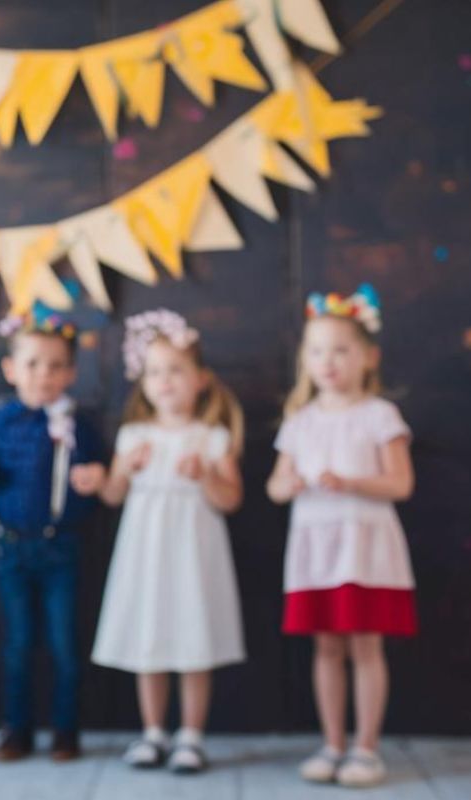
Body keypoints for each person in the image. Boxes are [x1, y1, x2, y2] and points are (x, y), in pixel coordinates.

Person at [267, 284, 416, 789]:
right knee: (326, 647)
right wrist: (287, 484)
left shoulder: (380, 416)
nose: (327, 361)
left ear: (368, 357)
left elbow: (401, 483)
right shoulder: (300, 421)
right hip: (314, 550)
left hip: (364, 550)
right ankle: (332, 743)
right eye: (316, 351)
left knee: (365, 647)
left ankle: (366, 748)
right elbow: (275, 486)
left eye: (340, 350)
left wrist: (351, 483)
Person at [92, 309, 246, 774]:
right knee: (149, 637)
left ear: (200, 379)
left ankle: (191, 735)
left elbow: (231, 499)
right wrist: (119, 471)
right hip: (146, 553)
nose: (165, 381)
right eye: (155, 372)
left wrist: (204, 478)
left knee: (193, 637)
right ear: (143, 381)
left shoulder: (212, 437)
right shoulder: (134, 435)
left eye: (176, 370)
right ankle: (153, 731)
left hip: (193, 553)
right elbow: (113, 496)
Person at [0, 308, 107, 763]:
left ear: (70, 373)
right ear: (11, 369)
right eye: (32, 364)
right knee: (18, 645)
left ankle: (66, 730)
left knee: (66, 644)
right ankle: (17, 729)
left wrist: (93, 477)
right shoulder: (2, 420)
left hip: (60, 545)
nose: (43, 375)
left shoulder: (77, 424)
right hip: (11, 546)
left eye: (54, 366)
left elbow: (96, 470)